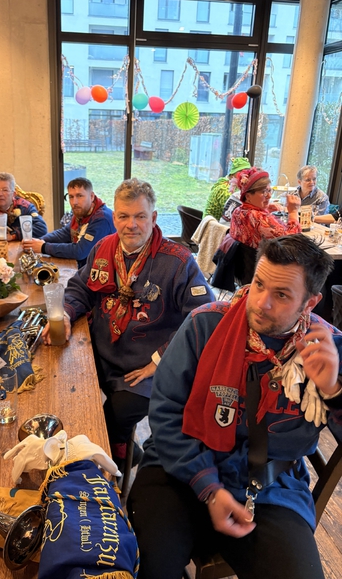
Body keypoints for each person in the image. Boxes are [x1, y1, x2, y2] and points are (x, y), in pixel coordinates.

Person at [128, 233, 342, 579]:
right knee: (151, 566)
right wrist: (209, 488)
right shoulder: (205, 324)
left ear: (311, 302)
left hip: (269, 488)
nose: (261, 303)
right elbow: (166, 414)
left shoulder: (329, 350)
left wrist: (333, 390)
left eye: (282, 295)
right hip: (181, 468)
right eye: (259, 284)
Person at [42, 178, 214, 469]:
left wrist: (160, 361)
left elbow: (203, 318)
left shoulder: (179, 261)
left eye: (140, 216)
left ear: (154, 218)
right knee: (66, 391)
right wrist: (68, 313)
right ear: (114, 217)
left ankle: (113, 475)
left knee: (112, 418)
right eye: (123, 216)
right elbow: (81, 288)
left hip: (145, 369)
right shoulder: (104, 248)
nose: (131, 225)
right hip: (102, 355)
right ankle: (125, 452)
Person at [22, 178, 115, 268]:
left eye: (79, 196)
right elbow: (65, 233)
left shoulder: (102, 219)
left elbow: (80, 251)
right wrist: (38, 241)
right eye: (71, 197)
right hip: (84, 266)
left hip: (100, 270)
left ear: (91, 196)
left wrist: (43, 247)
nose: (74, 202)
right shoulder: (83, 211)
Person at [230, 166, 301, 249]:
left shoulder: (237, 211)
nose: (269, 196)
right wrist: (293, 212)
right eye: (264, 192)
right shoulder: (260, 218)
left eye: (269, 190)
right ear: (248, 196)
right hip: (262, 257)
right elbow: (292, 242)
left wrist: (265, 210)